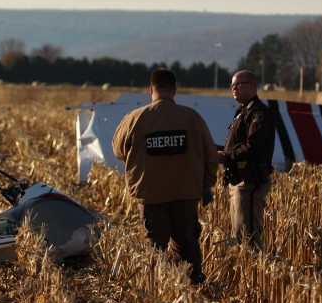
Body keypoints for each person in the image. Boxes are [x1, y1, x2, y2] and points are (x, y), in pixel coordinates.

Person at [112, 68, 219, 284]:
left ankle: (156, 287)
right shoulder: (192, 118)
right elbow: (210, 155)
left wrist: (142, 160)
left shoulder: (135, 118)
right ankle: (192, 285)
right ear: (175, 90)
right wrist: (206, 185)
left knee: (155, 245)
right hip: (186, 192)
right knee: (186, 243)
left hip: (150, 194)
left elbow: (118, 149)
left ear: (151, 89)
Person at [218, 70, 276, 250]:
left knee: (248, 238)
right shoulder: (243, 112)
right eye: (232, 85)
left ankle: (259, 275)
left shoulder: (257, 113)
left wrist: (226, 156)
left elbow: (253, 147)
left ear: (252, 86)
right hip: (239, 179)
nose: (234, 88)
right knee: (239, 236)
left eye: (238, 84)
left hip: (249, 180)